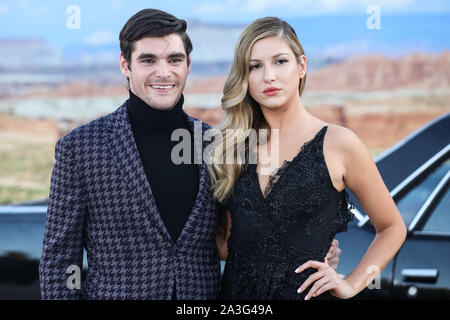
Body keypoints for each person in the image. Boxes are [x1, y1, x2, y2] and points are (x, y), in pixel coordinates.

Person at [39, 9, 341, 300]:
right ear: (125, 65)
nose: (163, 72)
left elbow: (237, 239)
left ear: (188, 65)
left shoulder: (217, 144)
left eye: (174, 59)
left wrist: (309, 248)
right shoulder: (80, 149)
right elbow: (59, 263)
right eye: (147, 60)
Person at [209, 17, 407, 300]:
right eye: (255, 66)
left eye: (280, 62)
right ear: (245, 78)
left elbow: (392, 227)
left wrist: (351, 284)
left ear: (301, 66)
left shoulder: (339, 144)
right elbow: (226, 245)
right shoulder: (231, 147)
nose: (269, 76)